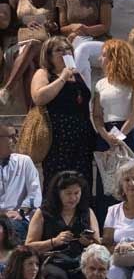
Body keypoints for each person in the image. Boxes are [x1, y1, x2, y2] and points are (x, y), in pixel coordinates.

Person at [28, 36, 93, 186]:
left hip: (81, 139)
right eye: (59, 50)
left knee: (82, 183)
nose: (65, 53)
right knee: (58, 184)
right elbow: (39, 97)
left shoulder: (77, 75)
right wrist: (62, 77)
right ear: (49, 55)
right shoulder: (44, 74)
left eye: (68, 49)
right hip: (58, 139)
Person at [24, 171, 98, 279]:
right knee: (57, 277)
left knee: (90, 274)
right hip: (53, 261)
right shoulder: (43, 213)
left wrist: (88, 242)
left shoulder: (87, 212)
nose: (73, 198)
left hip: (80, 260)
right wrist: (54, 241)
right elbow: (29, 246)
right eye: (68, 193)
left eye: (77, 193)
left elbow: (98, 243)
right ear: (58, 193)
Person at [1, 0, 57, 110]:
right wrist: (24, 24)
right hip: (20, 44)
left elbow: (57, 28)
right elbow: (8, 27)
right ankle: (32, 114)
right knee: (30, 65)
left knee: (32, 45)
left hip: (43, 45)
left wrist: (51, 26)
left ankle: (7, 89)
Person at [90, 39, 134, 169]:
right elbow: (97, 115)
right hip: (107, 134)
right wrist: (106, 136)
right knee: (109, 181)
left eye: (104, 55)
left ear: (116, 58)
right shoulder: (100, 84)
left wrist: (119, 137)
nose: (100, 59)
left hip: (130, 132)